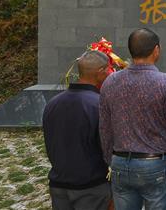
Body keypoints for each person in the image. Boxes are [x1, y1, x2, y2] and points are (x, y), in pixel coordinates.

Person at [99, 28, 166, 210]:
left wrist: (110, 159)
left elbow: (105, 128)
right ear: (156, 50)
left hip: (121, 162)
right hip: (156, 164)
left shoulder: (110, 82)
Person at [42, 50, 112, 210]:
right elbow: (107, 148)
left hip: (58, 186)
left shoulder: (52, 103)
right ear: (100, 72)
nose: (109, 74)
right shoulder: (99, 105)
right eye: (108, 69)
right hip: (91, 189)